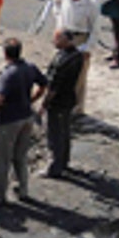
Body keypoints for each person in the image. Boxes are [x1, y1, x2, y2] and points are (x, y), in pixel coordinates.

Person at [0, 38, 46, 205]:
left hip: (9, 121)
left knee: (1, 158)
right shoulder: (30, 67)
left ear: (5, 54)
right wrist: (31, 100)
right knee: (20, 156)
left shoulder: (9, 74)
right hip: (26, 117)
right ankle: (22, 190)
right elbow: (43, 85)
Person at [42, 29, 84, 178]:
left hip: (58, 101)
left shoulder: (62, 60)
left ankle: (54, 167)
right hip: (69, 99)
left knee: (54, 135)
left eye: (56, 39)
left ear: (65, 40)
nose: (54, 42)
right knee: (65, 131)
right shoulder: (77, 56)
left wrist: (45, 103)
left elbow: (54, 85)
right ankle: (64, 161)